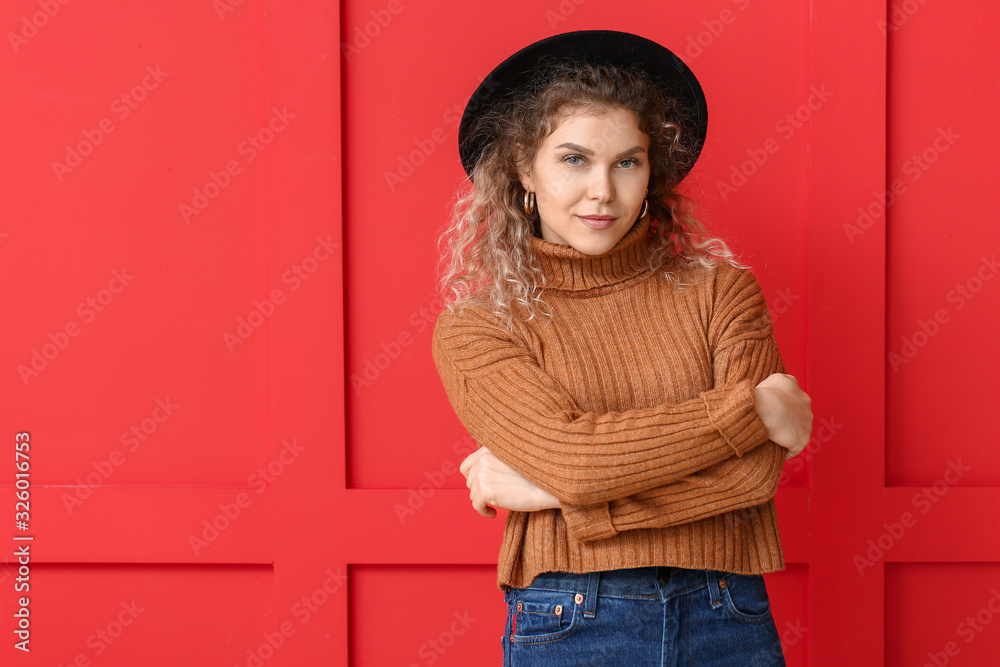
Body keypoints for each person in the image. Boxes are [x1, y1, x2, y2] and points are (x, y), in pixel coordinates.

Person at [430, 30, 812, 666]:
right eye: (574, 160)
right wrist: (754, 412)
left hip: (728, 611)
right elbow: (577, 460)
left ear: (651, 173)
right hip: (573, 620)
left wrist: (555, 493)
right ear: (525, 167)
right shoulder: (481, 326)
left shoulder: (722, 291)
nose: (603, 190)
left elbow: (753, 475)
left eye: (626, 162)